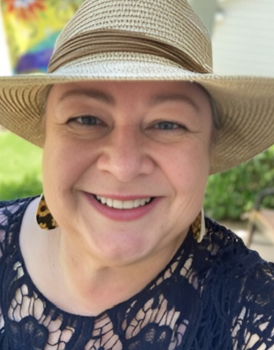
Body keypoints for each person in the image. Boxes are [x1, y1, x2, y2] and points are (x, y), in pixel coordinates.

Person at [0, 0, 274, 349]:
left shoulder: (253, 311)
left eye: (167, 124)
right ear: (46, 137)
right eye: (86, 119)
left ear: (209, 148)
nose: (124, 167)